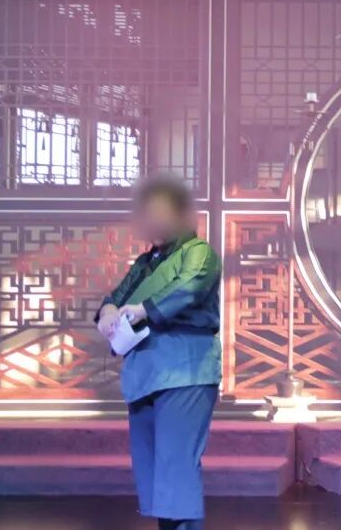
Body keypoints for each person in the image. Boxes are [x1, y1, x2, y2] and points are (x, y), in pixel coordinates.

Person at [95, 174, 222, 530]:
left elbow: (189, 289)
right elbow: (115, 297)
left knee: (176, 465)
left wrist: (143, 309)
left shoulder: (198, 252)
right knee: (154, 471)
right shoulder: (145, 262)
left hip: (184, 369)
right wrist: (108, 312)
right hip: (144, 373)